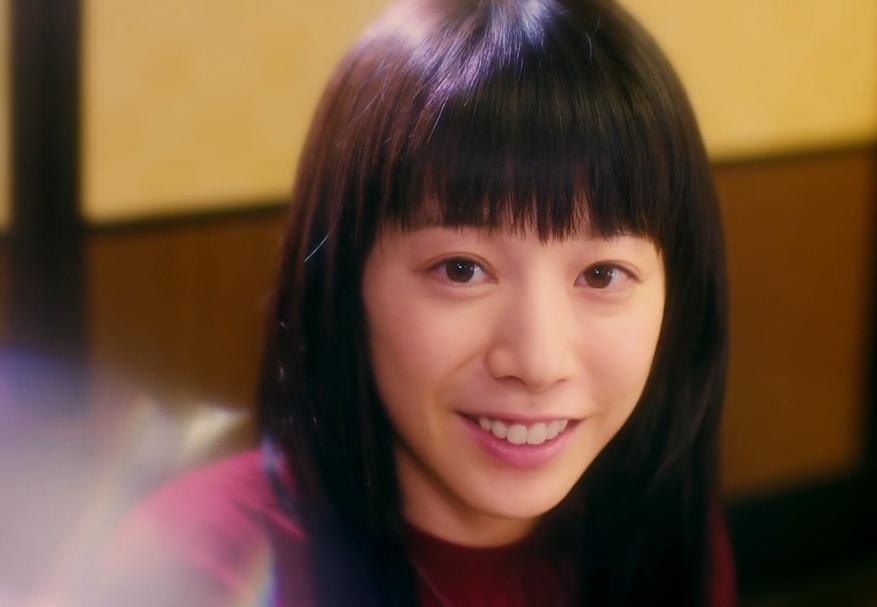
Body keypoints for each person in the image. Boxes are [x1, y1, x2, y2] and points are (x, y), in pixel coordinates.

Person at [85, 0, 734, 604]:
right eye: (461, 269)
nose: (538, 362)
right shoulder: (196, 568)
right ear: (345, 280)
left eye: (602, 274)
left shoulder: (665, 533)